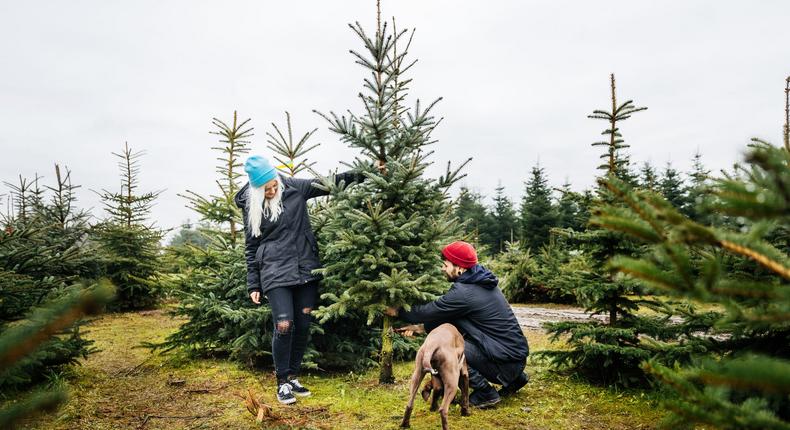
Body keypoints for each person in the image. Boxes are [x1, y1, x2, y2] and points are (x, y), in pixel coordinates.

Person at [235, 155, 381, 405]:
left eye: (273, 185)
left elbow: (331, 182)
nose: (272, 191)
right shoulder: (251, 206)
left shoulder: (295, 188)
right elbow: (251, 246)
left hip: (305, 266)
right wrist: (253, 282)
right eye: (266, 189)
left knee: (302, 323)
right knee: (284, 324)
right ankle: (281, 383)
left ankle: (293, 376)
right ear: (256, 190)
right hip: (274, 270)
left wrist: (368, 172)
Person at [386, 240, 529, 408]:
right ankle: (516, 379)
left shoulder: (464, 293)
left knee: (446, 351)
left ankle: (485, 393)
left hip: (505, 363)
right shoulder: (480, 281)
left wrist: (399, 311)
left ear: (460, 267)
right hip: (515, 359)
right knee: (460, 340)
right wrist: (421, 328)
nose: (442, 269)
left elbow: (431, 310)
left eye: (445, 265)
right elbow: (452, 318)